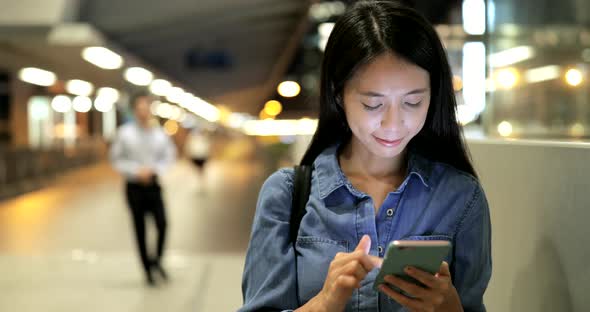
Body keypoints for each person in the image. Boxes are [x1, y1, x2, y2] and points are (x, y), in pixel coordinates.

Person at [240, 1, 491, 311]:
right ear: (337, 94)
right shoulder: (287, 195)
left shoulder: (461, 198)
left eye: (413, 102)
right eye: (373, 104)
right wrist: (324, 303)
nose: (393, 123)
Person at [110, 92, 177, 286]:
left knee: (162, 224)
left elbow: (169, 156)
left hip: (154, 186)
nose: (143, 112)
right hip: (134, 187)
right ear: (134, 110)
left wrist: (154, 170)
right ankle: (147, 269)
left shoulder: (160, 134)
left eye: (146, 107)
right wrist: (135, 171)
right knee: (139, 228)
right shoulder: (124, 134)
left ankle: (157, 260)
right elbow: (116, 159)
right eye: (139, 108)